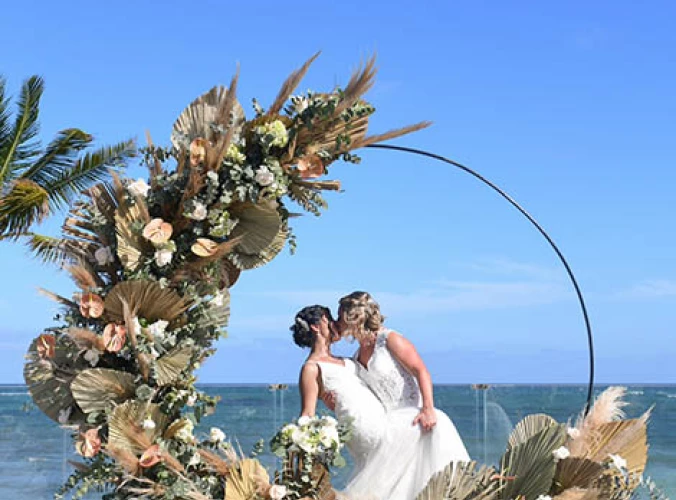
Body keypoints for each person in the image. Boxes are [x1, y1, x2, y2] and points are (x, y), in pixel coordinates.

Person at [332, 291, 470, 499]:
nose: (337, 322)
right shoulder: (356, 355)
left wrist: (428, 409)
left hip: (416, 419)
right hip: (390, 425)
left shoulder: (390, 339)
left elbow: (421, 370)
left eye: (339, 316)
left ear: (354, 317)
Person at [291, 305, 386, 473]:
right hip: (362, 428)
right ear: (316, 326)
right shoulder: (311, 368)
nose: (336, 324)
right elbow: (307, 415)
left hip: (381, 419)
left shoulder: (348, 360)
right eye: (330, 319)